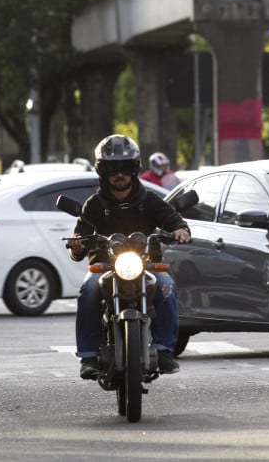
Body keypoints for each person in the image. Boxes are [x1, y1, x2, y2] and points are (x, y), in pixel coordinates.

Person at [66, 134, 191, 379]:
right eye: (113, 168)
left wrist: (180, 230)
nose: (119, 174)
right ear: (103, 171)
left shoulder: (149, 200)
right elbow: (79, 238)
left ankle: (165, 350)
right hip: (104, 265)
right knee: (88, 290)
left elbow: (175, 220)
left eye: (124, 167)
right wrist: (78, 245)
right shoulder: (94, 205)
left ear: (134, 169)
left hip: (147, 263)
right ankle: (89, 356)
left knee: (167, 286)